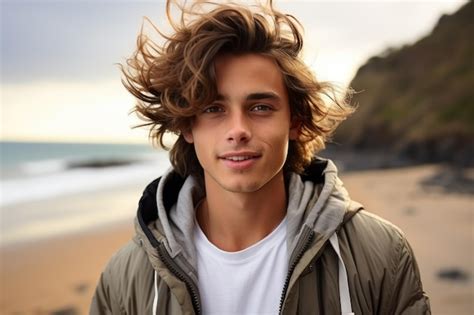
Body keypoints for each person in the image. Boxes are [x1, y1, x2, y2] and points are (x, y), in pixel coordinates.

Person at [91, 1, 431, 314]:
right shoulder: (125, 278)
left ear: (295, 121)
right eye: (213, 108)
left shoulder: (381, 254)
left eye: (260, 107)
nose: (238, 129)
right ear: (187, 125)